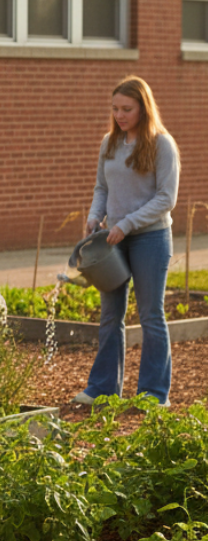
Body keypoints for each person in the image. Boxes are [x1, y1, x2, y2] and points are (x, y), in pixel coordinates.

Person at [75, 76, 179, 408]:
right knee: (110, 316)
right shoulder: (109, 143)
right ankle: (102, 388)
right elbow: (101, 188)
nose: (120, 115)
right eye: (115, 108)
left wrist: (127, 223)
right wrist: (95, 217)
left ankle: (153, 394)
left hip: (150, 238)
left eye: (127, 109)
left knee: (150, 315)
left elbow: (167, 198)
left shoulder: (162, 144)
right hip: (112, 242)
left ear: (143, 108)